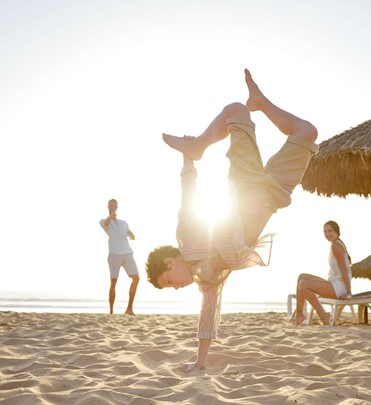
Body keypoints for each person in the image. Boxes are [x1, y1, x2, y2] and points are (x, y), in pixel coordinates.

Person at [145, 69, 318, 372]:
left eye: (169, 282)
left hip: (245, 183)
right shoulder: (209, 278)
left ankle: (208, 138)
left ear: (170, 263)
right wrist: (200, 362)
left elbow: (189, 195)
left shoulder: (186, 235)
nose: (176, 287)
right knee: (307, 132)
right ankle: (261, 104)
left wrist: (188, 158)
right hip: (274, 193)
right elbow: (208, 318)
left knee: (236, 111)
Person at [295, 221, 352, 326]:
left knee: (303, 284)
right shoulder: (336, 244)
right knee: (301, 277)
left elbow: (344, 270)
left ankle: (323, 315)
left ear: (337, 231)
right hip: (333, 283)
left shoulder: (336, 246)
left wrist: (348, 292)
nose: (327, 234)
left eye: (330, 231)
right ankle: (299, 314)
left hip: (339, 287)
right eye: (325, 232)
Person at [99, 199, 140, 315]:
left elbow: (130, 233)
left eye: (115, 206)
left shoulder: (123, 223)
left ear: (117, 207)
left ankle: (129, 309)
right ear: (108, 207)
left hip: (127, 253)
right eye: (111, 206)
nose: (113, 207)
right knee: (114, 281)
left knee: (136, 278)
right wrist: (111, 215)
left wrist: (132, 235)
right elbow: (106, 224)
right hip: (114, 254)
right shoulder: (104, 221)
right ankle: (111, 311)